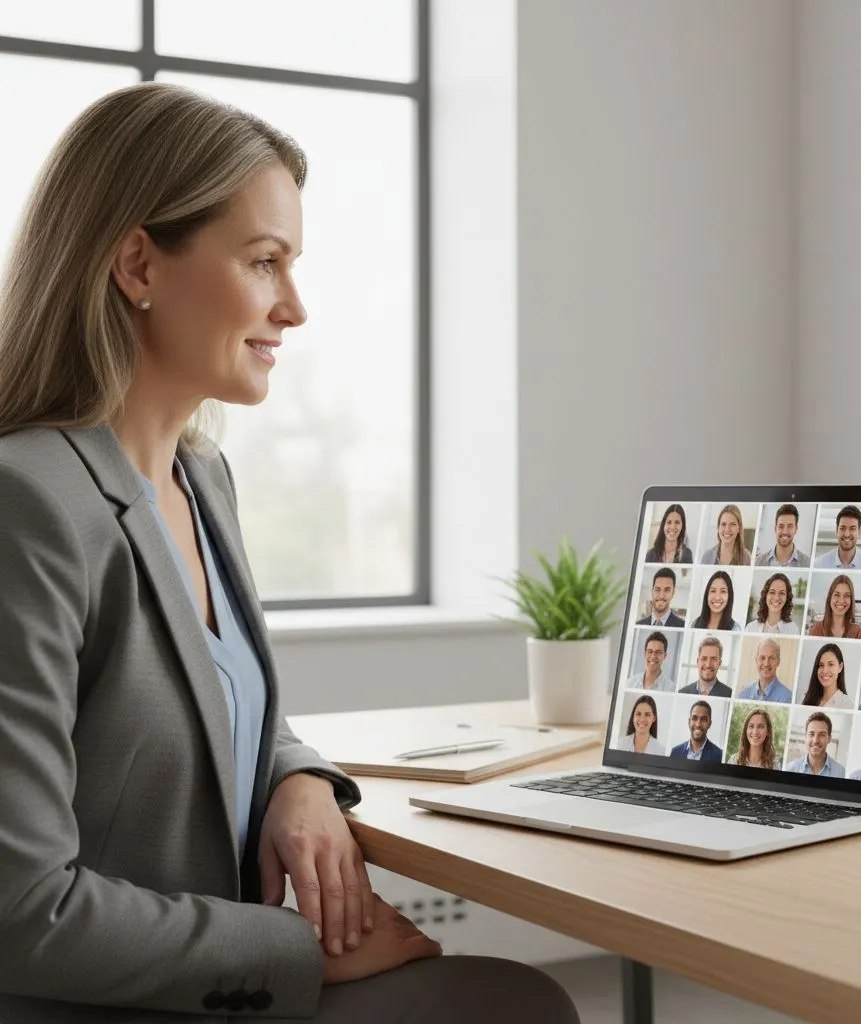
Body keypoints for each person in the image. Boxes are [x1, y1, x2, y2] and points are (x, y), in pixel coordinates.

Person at [0, 83, 579, 1024]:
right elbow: (19, 912)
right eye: (265, 262)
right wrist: (298, 955)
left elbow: (214, 704)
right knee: (514, 1006)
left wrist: (298, 777)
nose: (295, 307)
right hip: (113, 1002)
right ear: (138, 264)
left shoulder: (202, 479)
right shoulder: (28, 502)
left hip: (212, 978)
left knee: (514, 1000)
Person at [784, 712, 846, 777]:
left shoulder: (840, 772)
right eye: (811, 734)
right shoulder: (790, 769)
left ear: (829, 739)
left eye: (822, 735)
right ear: (805, 737)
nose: (815, 740)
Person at [814, 505, 861, 569]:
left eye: (852, 529)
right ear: (837, 530)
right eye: (842, 528)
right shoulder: (819, 564)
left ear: (859, 532)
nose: (847, 534)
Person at [737, 638, 793, 703]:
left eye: (772, 658)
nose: (766, 663)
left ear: (778, 662)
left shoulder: (787, 697)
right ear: (756, 660)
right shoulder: (743, 695)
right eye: (762, 658)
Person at [808, 574, 861, 638]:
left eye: (847, 596)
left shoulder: (856, 631)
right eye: (837, 595)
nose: (841, 601)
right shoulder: (816, 629)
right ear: (830, 598)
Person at [800, 643, 853, 709]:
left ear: (840, 667)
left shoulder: (846, 705)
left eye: (831, 664)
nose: (825, 671)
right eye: (821, 665)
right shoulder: (807, 699)